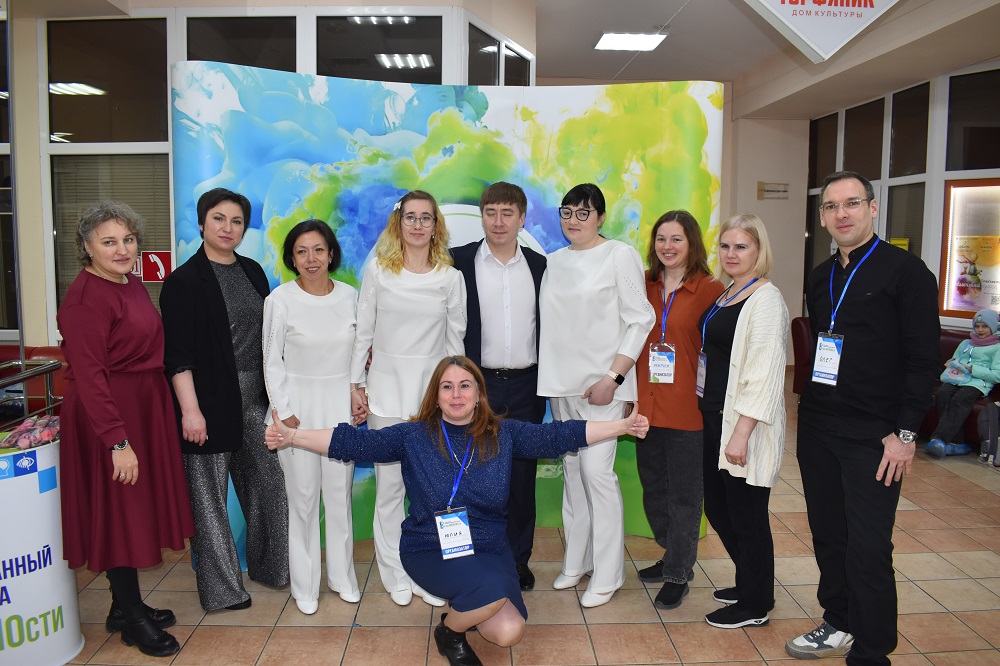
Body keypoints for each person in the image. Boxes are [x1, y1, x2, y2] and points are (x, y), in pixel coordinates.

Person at [264, 355, 650, 666]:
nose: (456, 394)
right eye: (447, 387)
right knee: (491, 594)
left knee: (508, 632)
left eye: (465, 385)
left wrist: (621, 427)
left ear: (479, 394)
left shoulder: (503, 433)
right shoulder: (413, 436)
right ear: (436, 396)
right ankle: (458, 622)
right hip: (429, 546)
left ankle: (452, 624)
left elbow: (560, 435)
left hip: (488, 546)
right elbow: (353, 444)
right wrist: (292, 435)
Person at [787, 171, 939, 665]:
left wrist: (905, 434)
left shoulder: (907, 273)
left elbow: (922, 360)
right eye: (832, 206)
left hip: (876, 436)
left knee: (869, 547)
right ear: (823, 218)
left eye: (852, 203)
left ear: (873, 208)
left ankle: (873, 650)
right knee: (829, 536)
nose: (842, 214)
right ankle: (839, 621)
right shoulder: (820, 276)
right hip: (819, 427)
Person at [58, 201, 194, 657]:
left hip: (141, 407)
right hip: (109, 415)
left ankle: (123, 606)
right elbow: (90, 377)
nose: (122, 250)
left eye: (128, 240)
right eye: (109, 242)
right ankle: (133, 620)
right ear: (87, 246)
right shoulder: (84, 300)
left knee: (131, 508)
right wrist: (117, 441)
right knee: (120, 511)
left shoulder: (128, 283)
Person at [160, 187, 290, 612]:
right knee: (210, 500)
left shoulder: (253, 271)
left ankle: (273, 569)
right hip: (207, 402)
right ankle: (222, 591)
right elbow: (177, 357)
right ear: (202, 223)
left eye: (237, 221)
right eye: (218, 219)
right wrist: (190, 412)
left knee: (269, 485)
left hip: (256, 400)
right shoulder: (182, 282)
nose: (227, 228)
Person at [537, 183, 656, 608]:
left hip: (604, 388)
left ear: (601, 217)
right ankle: (577, 561)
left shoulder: (619, 255)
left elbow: (641, 319)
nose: (574, 220)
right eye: (567, 211)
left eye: (584, 212)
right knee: (573, 474)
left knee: (596, 475)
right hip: (562, 387)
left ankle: (608, 574)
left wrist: (614, 377)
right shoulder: (554, 261)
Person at [351, 189, 467, 607]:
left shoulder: (451, 278)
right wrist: (356, 384)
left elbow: (456, 344)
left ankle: (427, 571)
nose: (418, 225)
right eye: (410, 217)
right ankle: (394, 573)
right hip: (385, 394)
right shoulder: (379, 272)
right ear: (398, 223)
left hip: (433, 401)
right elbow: (363, 332)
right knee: (390, 491)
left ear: (436, 226)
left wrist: (459, 394)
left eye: (426, 218)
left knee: (435, 492)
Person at [451, 181, 546, 591]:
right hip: (476, 385)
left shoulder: (541, 267)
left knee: (521, 479)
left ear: (522, 218)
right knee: (470, 474)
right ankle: (472, 559)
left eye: (508, 213)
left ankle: (518, 560)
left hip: (527, 384)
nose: (499, 221)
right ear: (482, 216)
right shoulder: (458, 261)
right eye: (491, 212)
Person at [262, 220, 361, 614]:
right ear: (292, 258)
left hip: (339, 410)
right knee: (303, 500)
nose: (311, 259)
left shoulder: (351, 296)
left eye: (318, 249)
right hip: (296, 413)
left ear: (331, 253)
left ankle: (342, 577)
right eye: (301, 251)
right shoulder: (280, 299)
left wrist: (358, 392)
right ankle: (305, 586)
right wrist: (284, 413)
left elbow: (361, 354)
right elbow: (271, 361)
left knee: (339, 497)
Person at [697, 213, 788, 629]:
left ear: (759, 250)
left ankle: (755, 604)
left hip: (742, 426)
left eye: (741, 247)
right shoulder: (729, 292)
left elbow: (763, 374)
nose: (731, 254)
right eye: (725, 246)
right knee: (720, 509)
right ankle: (753, 582)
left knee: (748, 516)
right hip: (714, 417)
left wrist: (741, 434)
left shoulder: (766, 300)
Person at [635, 210, 724, 610]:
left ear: (692, 244)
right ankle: (671, 552)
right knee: (655, 489)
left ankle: (677, 573)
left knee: (685, 496)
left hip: (688, 409)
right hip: (646, 407)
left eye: (676, 239)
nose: (667, 246)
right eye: (661, 239)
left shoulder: (711, 289)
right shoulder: (644, 284)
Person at [925, 308, 1000, 458]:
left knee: (961, 398)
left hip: (978, 383)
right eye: (977, 326)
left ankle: (939, 439)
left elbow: (997, 375)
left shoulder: (997, 347)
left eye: (985, 326)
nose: (980, 330)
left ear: (993, 327)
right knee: (942, 394)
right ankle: (957, 443)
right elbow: (955, 359)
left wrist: (972, 369)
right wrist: (951, 363)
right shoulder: (966, 343)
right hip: (957, 379)